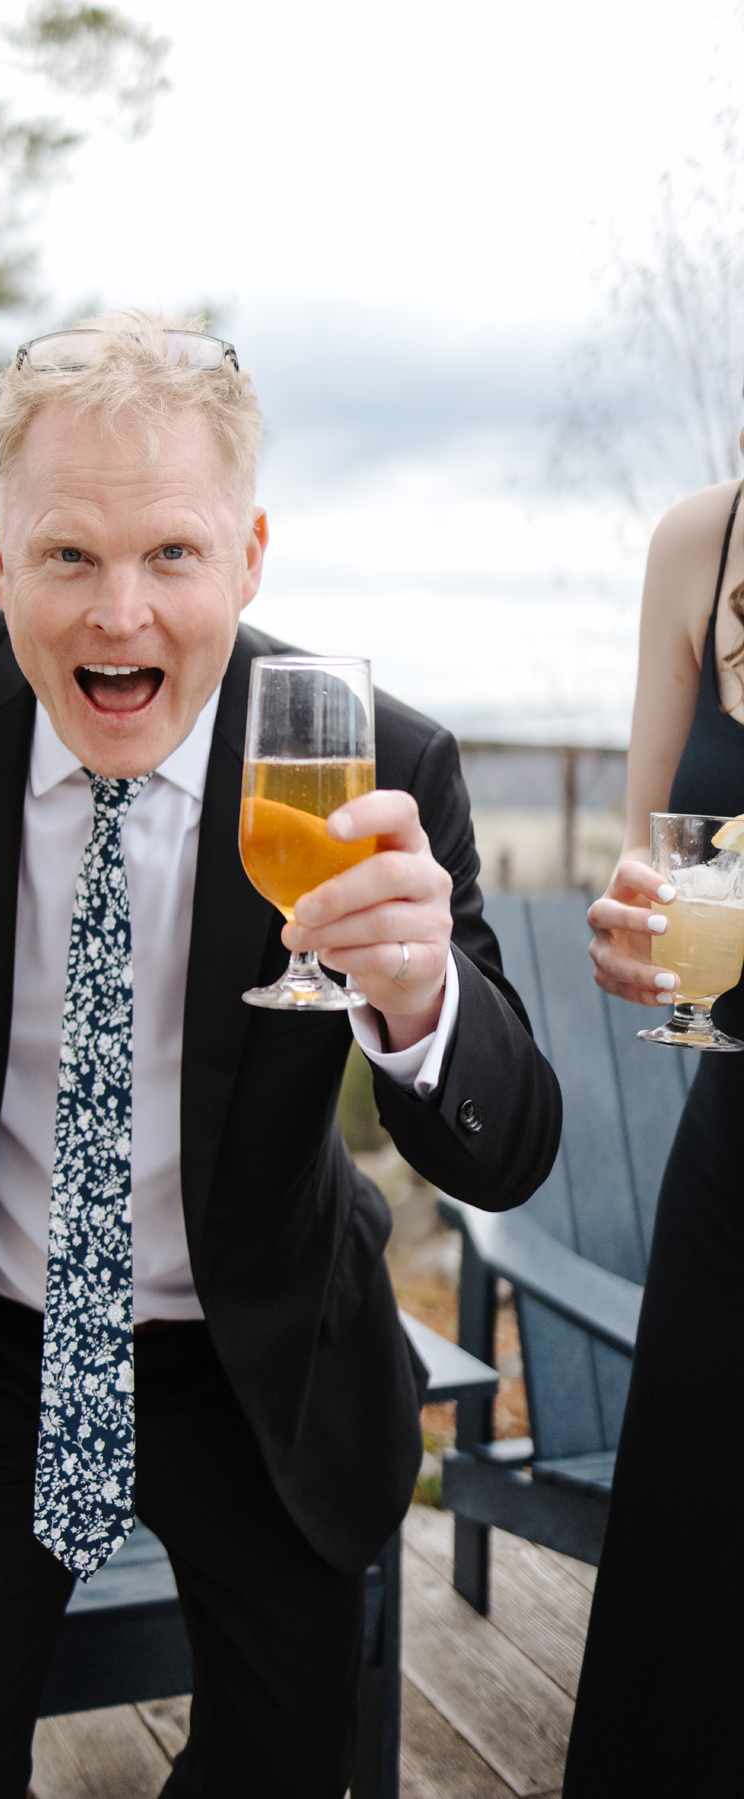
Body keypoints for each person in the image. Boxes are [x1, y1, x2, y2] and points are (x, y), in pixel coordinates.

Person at [0, 311, 561, 1799]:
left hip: (260, 1347)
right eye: (70, 556)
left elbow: (509, 1150)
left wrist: (422, 1002)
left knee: (281, 1771)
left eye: (172, 554)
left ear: (249, 557)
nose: (120, 614)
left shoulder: (374, 761)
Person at [567, 477, 744, 1797]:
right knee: (686, 1626)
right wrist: (636, 931)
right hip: (733, 1170)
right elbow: (652, 860)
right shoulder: (704, 542)